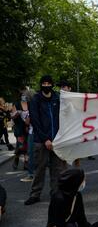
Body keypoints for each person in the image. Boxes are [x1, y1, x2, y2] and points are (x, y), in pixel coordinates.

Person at [25, 75, 67, 206]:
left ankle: (55, 193)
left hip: (57, 140)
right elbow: (35, 121)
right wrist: (45, 139)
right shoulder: (36, 100)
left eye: (49, 83)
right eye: (44, 83)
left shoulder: (58, 99)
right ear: (41, 84)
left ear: (52, 84)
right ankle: (35, 194)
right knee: (39, 168)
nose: (47, 85)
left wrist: (59, 138)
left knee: (57, 169)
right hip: (41, 140)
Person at [10, 89, 30, 171]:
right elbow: (12, 116)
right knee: (21, 145)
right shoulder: (16, 104)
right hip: (19, 127)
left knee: (27, 145)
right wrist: (17, 113)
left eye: (25, 94)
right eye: (22, 94)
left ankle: (26, 162)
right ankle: (16, 158)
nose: (24, 96)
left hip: (28, 127)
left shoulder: (30, 104)